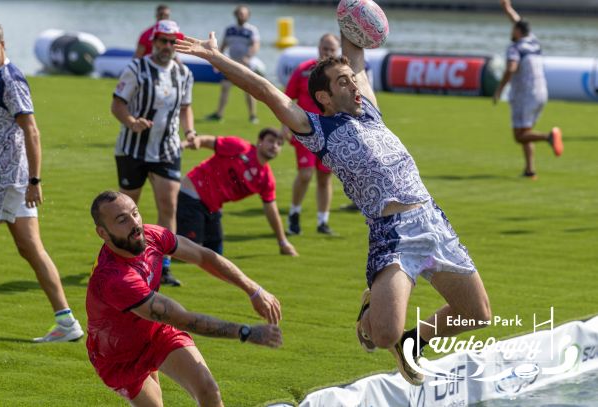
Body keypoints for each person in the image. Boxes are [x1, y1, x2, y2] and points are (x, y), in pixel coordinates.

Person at [174, 29, 492, 386]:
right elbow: (263, 90)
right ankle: (373, 313)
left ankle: (412, 343)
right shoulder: (316, 130)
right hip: (394, 234)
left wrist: (348, 17)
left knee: (477, 314)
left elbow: (355, 50)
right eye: (343, 82)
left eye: (352, 79)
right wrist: (217, 58)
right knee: (382, 335)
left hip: (433, 221)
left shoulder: (370, 110)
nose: (353, 84)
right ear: (324, 97)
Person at [87, 191, 282, 405]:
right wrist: (245, 332)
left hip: (154, 331)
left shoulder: (152, 236)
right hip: (118, 355)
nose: (135, 224)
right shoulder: (115, 279)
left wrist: (254, 290)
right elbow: (182, 319)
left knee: (208, 390)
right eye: (122, 220)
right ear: (103, 232)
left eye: (135, 213)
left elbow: (203, 256)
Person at [0, 17, 84, 342]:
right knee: (31, 249)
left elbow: (32, 131)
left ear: (2, 45)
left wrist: (35, 180)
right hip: (3, 180)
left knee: (32, 249)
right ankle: (67, 322)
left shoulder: (9, 80)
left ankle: (67, 321)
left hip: (5, 181)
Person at [112, 19, 195, 287]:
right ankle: (122, 260)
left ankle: (164, 266)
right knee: (125, 210)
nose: (167, 46)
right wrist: (131, 122)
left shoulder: (184, 73)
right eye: (163, 41)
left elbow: (185, 108)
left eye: (172, 42)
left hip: (167, 149)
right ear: (154, 42)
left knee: (168, 206)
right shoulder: (136, 68)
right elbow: (117, 104)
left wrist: (190, 132)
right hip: (132, 149)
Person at [177, 128, 298, 256]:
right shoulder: (239, 147)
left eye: (279, 144)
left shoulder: (266, 179)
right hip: (191, 193)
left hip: (213, 206)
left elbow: (271, 211)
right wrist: (184, 144)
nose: (274, 146)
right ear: (260, 141)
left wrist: (283, 242)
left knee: (215, 254)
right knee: (190, 252)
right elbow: (206, 141)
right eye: (271, 141)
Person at [494, 0, 563, 179]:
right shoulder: (533, 41)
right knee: (527, 132)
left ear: (518, 31)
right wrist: (508, 9)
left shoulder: (515, 48)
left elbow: (511, 69)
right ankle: (530, 170)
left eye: (513, 29)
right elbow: (518, 21)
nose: (511, 31)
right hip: (541, 92)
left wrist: (500, 89)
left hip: (525, 95)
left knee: (519, 136)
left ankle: (549, 137)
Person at [283, 34, 340, 236]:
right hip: (305, 130)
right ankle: (294, 213)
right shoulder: (304, 70)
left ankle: (323, 221)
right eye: (325, 48)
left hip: (330, 133)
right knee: (306, 174)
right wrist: (284, 126)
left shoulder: (340, 74)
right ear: (318, 48)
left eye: (332, 49)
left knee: (325, 177)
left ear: (337, 50)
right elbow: (287, 99)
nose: (328, 53)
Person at [205, 5, 260, 124]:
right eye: (239, 13)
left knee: (249, 90)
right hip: (231, 64)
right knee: (225, 87)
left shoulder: (252, 30)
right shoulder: (229, 30)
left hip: (245, 65)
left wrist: (248, 56)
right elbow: (223, 45)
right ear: (235, 15)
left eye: (244, 14)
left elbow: (255, 45)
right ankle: (219, 114)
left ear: (248, 16)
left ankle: (253, 116)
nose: (241, 16)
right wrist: (217, 60)